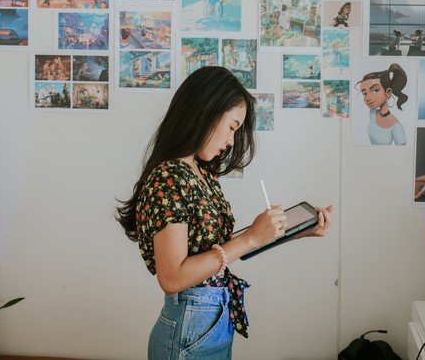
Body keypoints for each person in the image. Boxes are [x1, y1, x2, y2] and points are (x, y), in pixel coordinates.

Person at [116, 67, 333, 358]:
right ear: (206, 111)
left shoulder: (199, 172)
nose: (231, 141)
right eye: (232, 126)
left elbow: (215, 247)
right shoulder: (169, 177)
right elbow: (172, 278)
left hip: (210, 318)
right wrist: (252, 238)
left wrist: (291, 233)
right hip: (190, 326)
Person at [356, 63, 409, 145]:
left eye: (375, 90)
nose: (367, 98)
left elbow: (401, 154)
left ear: (388, 92)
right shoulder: (372, 114)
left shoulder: (397, 127)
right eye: (364, 93)